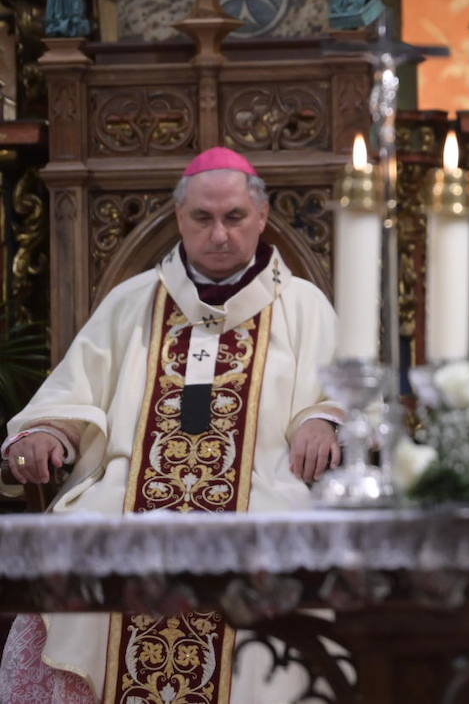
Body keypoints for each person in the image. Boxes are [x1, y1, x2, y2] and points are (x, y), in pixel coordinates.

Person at [0, 146, 343, 704]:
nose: (219, 235)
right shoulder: (131, 302)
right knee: (84, 537)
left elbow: (344, 395)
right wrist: (48, 431)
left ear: (261, 216)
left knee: (288, 544)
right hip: (126, 490)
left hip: (264, 490)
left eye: (234, 217)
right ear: (179, 217)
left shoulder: (304, 305)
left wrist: (325, 420)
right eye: (201, 219)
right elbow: (73, 391)